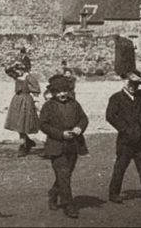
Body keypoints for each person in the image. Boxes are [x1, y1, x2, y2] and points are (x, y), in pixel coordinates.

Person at [106, 71, 141, 209]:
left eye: (135, 84)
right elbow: (110, 116)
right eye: (130, 83)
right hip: (125, 141)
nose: (132, 86)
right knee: (120, 167)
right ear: (124, 82)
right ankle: (114, 193)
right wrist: (125, 129)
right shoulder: (116, 98)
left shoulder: (140, 96)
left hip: (140, 139)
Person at [39, 75, 89, 219]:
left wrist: (80, 127)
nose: (62, 94)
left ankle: (54, 192)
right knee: (64, 174)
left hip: (73, 145)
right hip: (56, 145)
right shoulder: (48, 106)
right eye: (58, 92)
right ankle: (68, 205)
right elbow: (43, 125)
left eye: (64, 91)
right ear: (53, 93)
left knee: (65, 175)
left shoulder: (74, 104)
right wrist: (61, 134)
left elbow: (84, 118)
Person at [3, 62, 40, 156]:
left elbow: (36, 90)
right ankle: (27, 141)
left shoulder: (29, 77)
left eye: (19, 70)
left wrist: (36, 103)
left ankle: (24, 145)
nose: (17, 72)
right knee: (17, 123)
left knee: (23, 123)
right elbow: (8, 70)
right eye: (16, 70)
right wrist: (14, 64)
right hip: (17, 100)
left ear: (23, 70)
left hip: (26, 101)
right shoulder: (17, 76)